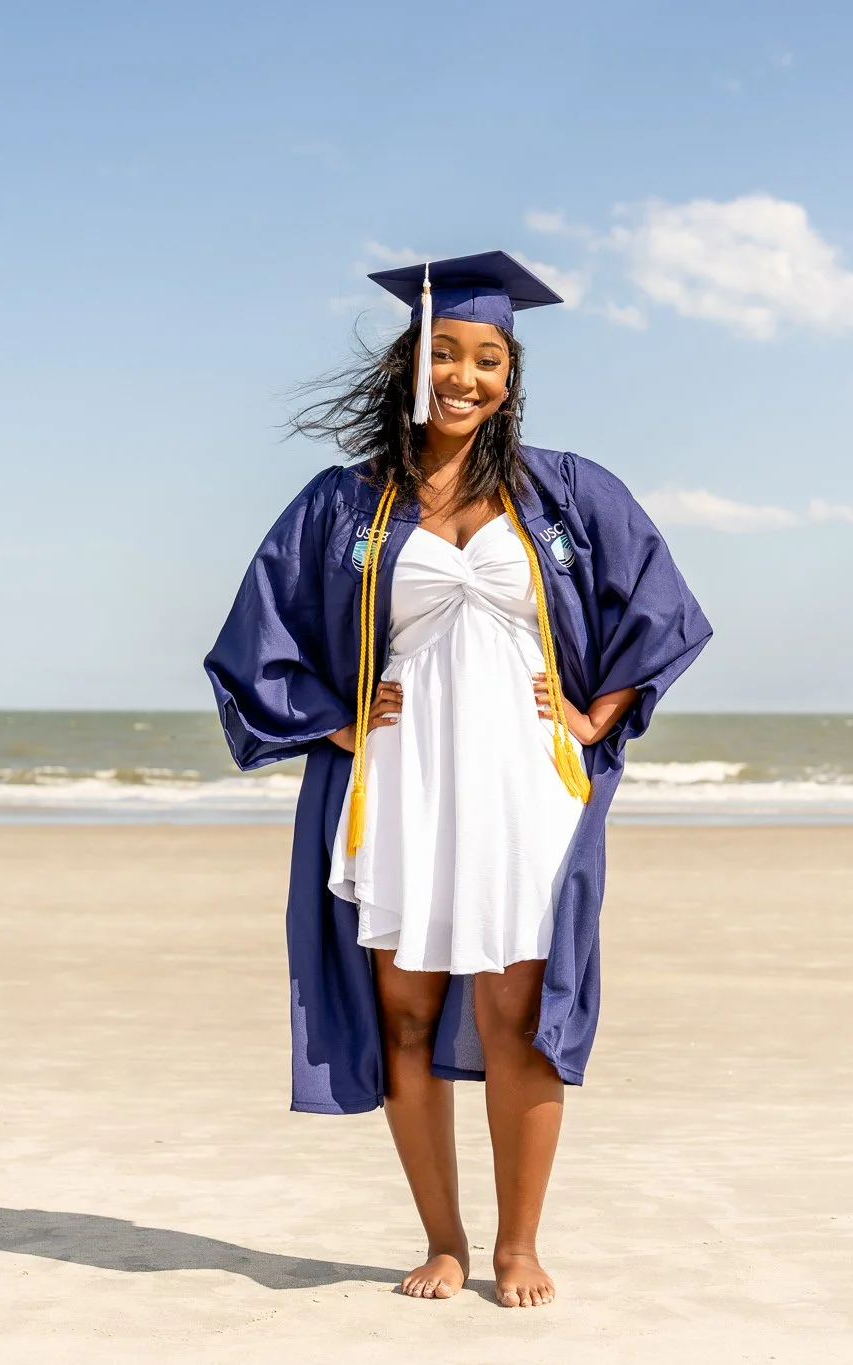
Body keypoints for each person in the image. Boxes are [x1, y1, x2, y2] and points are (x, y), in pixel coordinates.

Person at [204, 251, 710, 1307]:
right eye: (444, 354)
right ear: (408, 364)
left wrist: (592, 716)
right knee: (402, 1012)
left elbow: (658, 607)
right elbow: (257, 640)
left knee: (515, 1011)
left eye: (487, 359)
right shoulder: (347, 505)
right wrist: (331, 727)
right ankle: (442, 1239)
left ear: (509, 378)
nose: (465, 376)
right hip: (400, 783)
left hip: (525, 783)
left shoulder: (564, 491)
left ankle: (518, 1244)